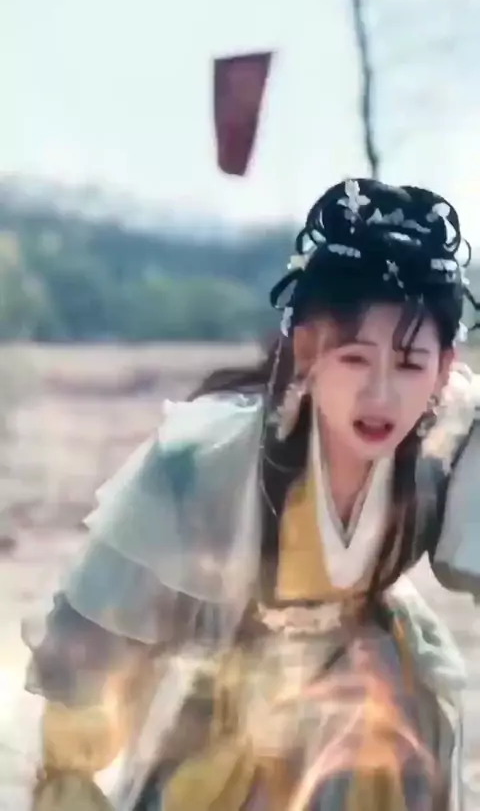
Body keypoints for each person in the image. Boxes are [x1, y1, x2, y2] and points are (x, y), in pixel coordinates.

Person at [24, 178, 480, 811]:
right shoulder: (209, 459)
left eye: (409, 365)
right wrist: (68, 769)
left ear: (444, 365)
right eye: (354, 359)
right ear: (309, 348)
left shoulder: (452, 442)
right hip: (237, 698)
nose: (381, 395)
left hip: (375, 695)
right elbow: (98, 627)